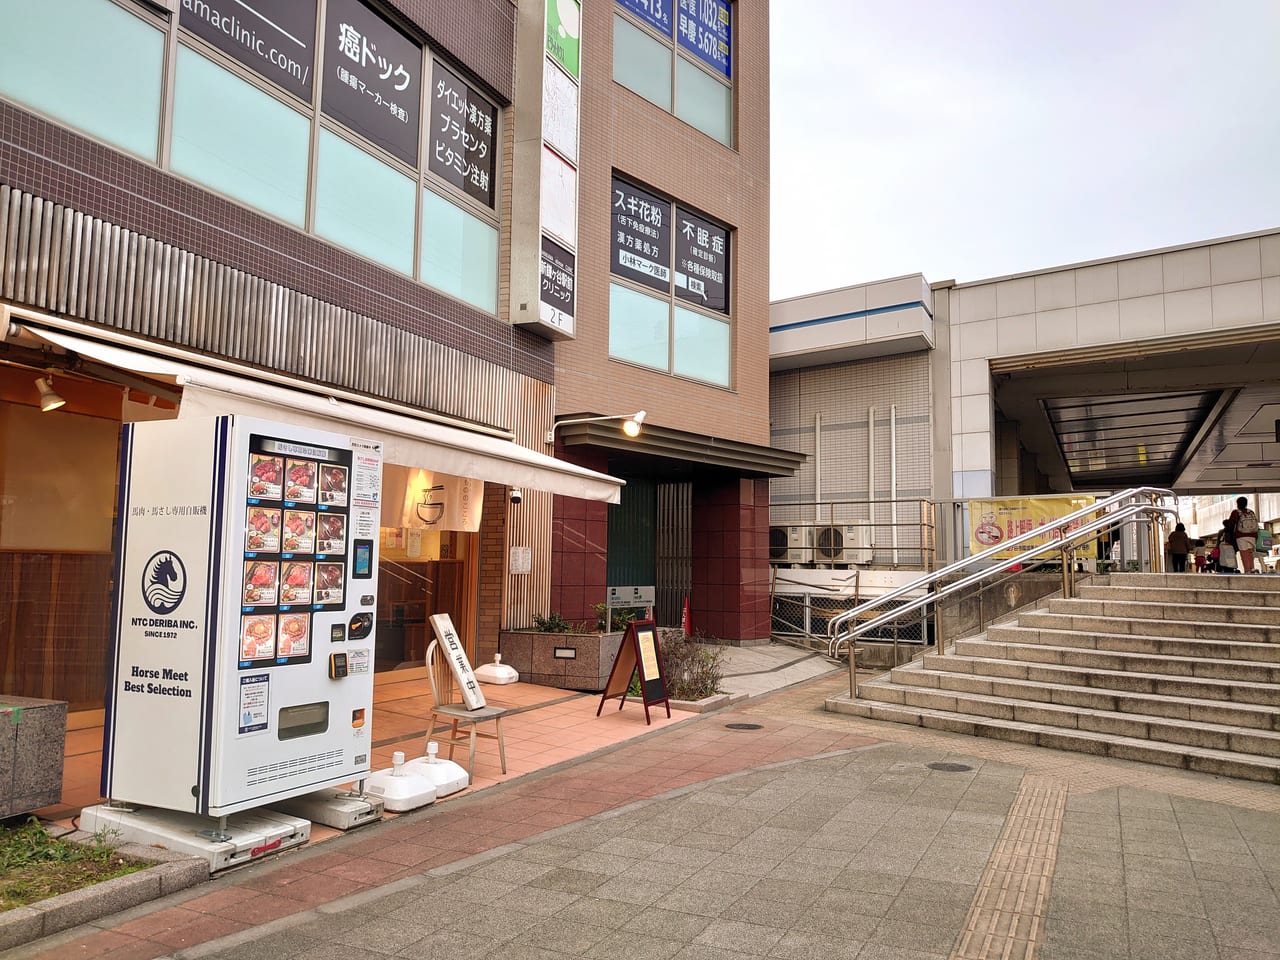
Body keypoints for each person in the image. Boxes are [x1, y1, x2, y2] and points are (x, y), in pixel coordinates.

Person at [1230, 496, 1260, 574]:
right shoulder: (1251, 512)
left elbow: (1231, 524)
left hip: (1241, 535)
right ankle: (1252, 568)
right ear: (1246, 503)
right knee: (1250, 552)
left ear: (1237, 504)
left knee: (1244, 553)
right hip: (1252, 535)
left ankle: (1247, 570)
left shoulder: (1236, 512)